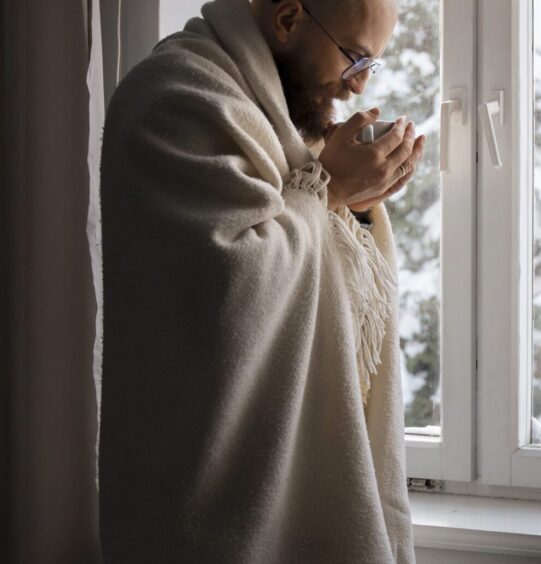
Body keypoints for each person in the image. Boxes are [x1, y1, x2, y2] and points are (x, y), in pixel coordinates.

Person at [98, 0, 421, 561]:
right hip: (201, 500)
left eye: (372, 68)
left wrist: (358, 203)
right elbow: (230, 290)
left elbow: (314, 233)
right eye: (353, 60)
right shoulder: (176, 98)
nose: (357, 89)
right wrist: (333, 191)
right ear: (290, 18)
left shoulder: (279, 116)